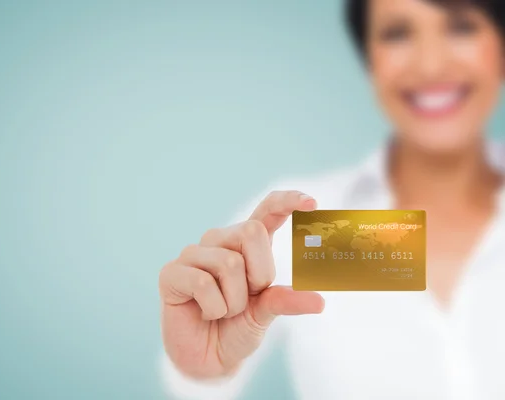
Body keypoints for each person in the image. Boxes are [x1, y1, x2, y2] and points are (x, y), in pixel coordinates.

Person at [158, 0, 505, 398]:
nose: (430, 65)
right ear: (369, 59)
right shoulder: (296, 222)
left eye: (461, 27)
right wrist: (201, 373)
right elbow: (203, 379)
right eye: (397, 33)